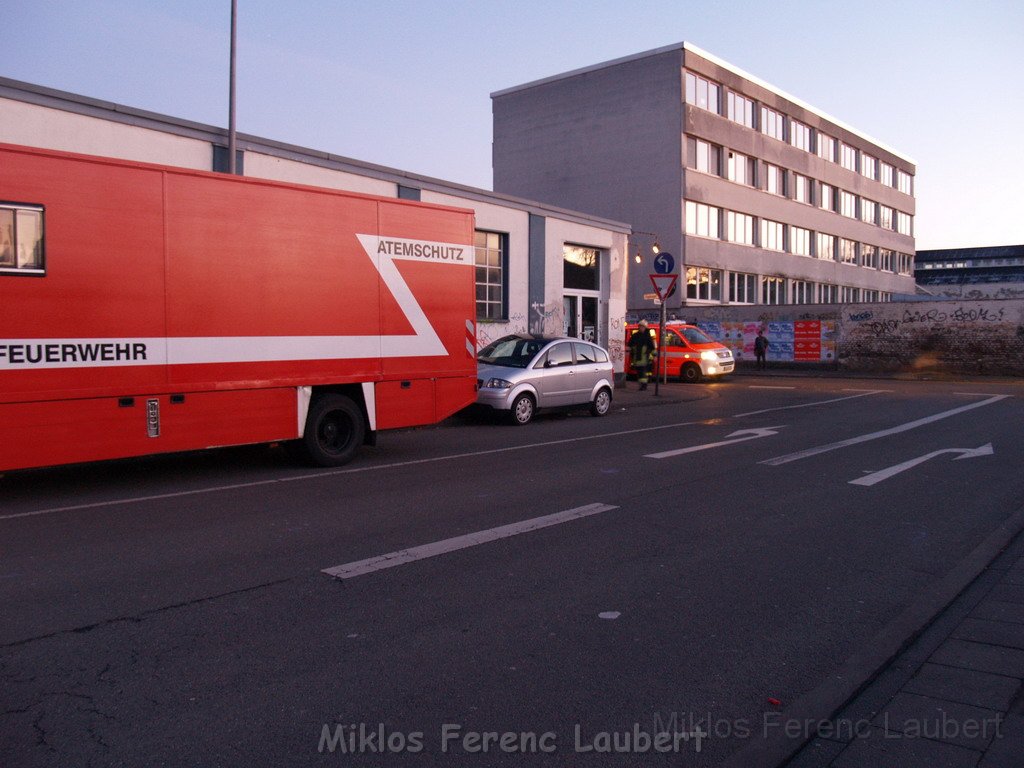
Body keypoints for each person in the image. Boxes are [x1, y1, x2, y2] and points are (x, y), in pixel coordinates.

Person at [629, 320, 656, 390]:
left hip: (644, 358)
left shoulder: (647, 337)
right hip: (637, 357)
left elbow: (652, 347)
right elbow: (630, 344)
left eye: (642, 327)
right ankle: (642, 385)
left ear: (645, 327)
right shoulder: (635, 335)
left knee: (642, 372)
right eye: (640, 326)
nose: (640, 328)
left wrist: (654, 356)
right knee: (639, 372)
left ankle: (644, 386)